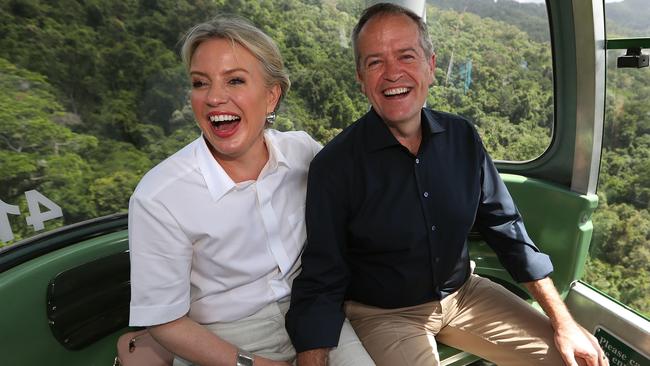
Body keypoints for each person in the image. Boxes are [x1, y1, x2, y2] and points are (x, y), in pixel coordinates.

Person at [286, 3, 608, 366]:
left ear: (431, 66)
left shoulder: (462, 138)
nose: (392, 73)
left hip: (465, 293)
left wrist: (562, 320)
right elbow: (321, 277)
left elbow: (506, 228)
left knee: (578, 360)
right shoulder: (335, 166)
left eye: (406, 56)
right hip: (385, 314)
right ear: (361, 80)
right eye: (375, 62)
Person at [128, 16, 374, 366]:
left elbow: (357, 206)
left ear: (271, 96)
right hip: (220, 336)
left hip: (312, 309)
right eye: (200, 83)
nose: (214, 97)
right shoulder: (160, 196)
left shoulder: (303, 153)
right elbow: (165, 322)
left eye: (235, 80)